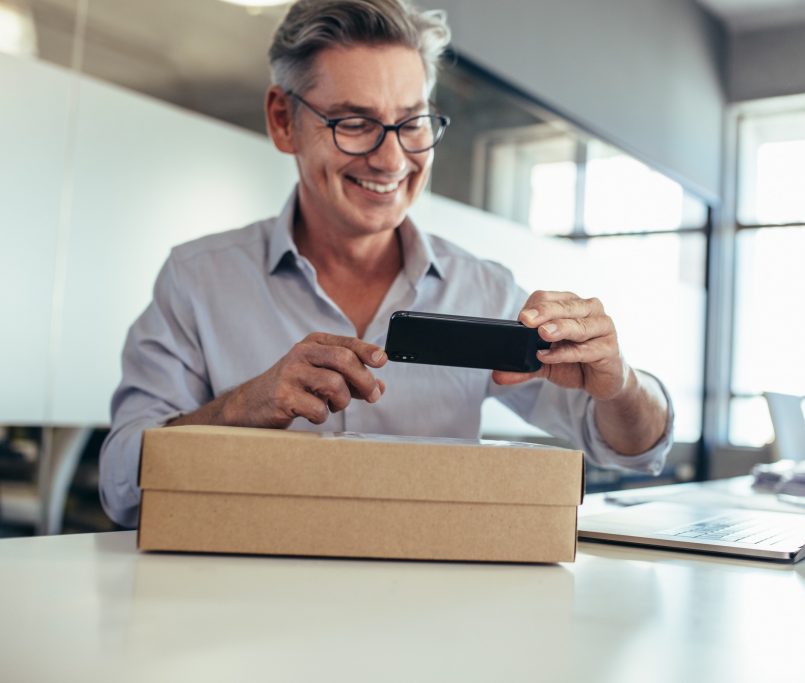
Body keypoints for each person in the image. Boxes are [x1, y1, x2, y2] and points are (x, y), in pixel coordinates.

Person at [99, 0, 673, 528]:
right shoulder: (197, 279)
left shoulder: (483, 290)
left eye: (412, 121)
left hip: (426, 617)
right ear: (282, 120)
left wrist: (620, 384)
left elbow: (635, 449)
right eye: (354, 122)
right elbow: (121, 485)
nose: (393, 158)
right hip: (248, 608)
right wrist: (239, 409)